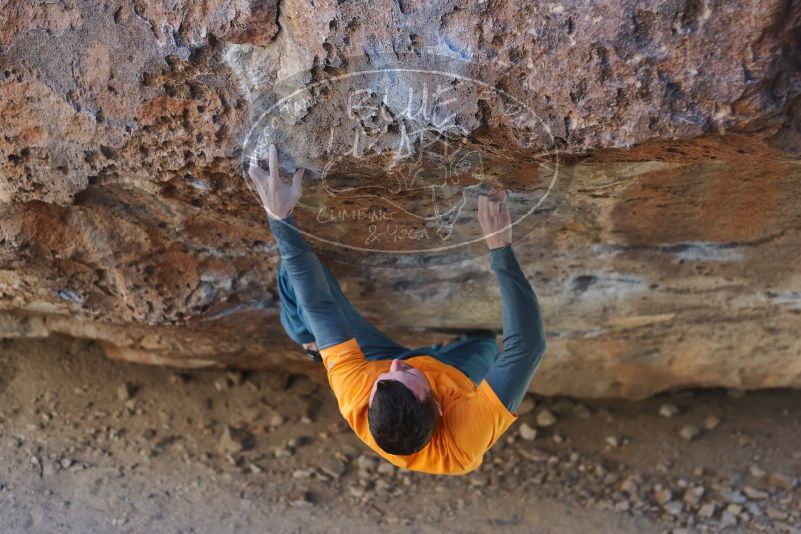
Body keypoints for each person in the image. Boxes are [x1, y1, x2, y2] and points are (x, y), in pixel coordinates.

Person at [249, 144, 546, 475]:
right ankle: (442, 356)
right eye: (405, 373)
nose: (397, 364)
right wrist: (499, 246)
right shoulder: (463, 439)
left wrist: (280, 217)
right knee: (485, 344)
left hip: (371, 358)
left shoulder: (358, 390)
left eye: (387, 377)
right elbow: (528, 347)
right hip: (451, 372)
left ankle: (308, 341)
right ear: (439, 407)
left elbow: (319, 305)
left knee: (294, 276)